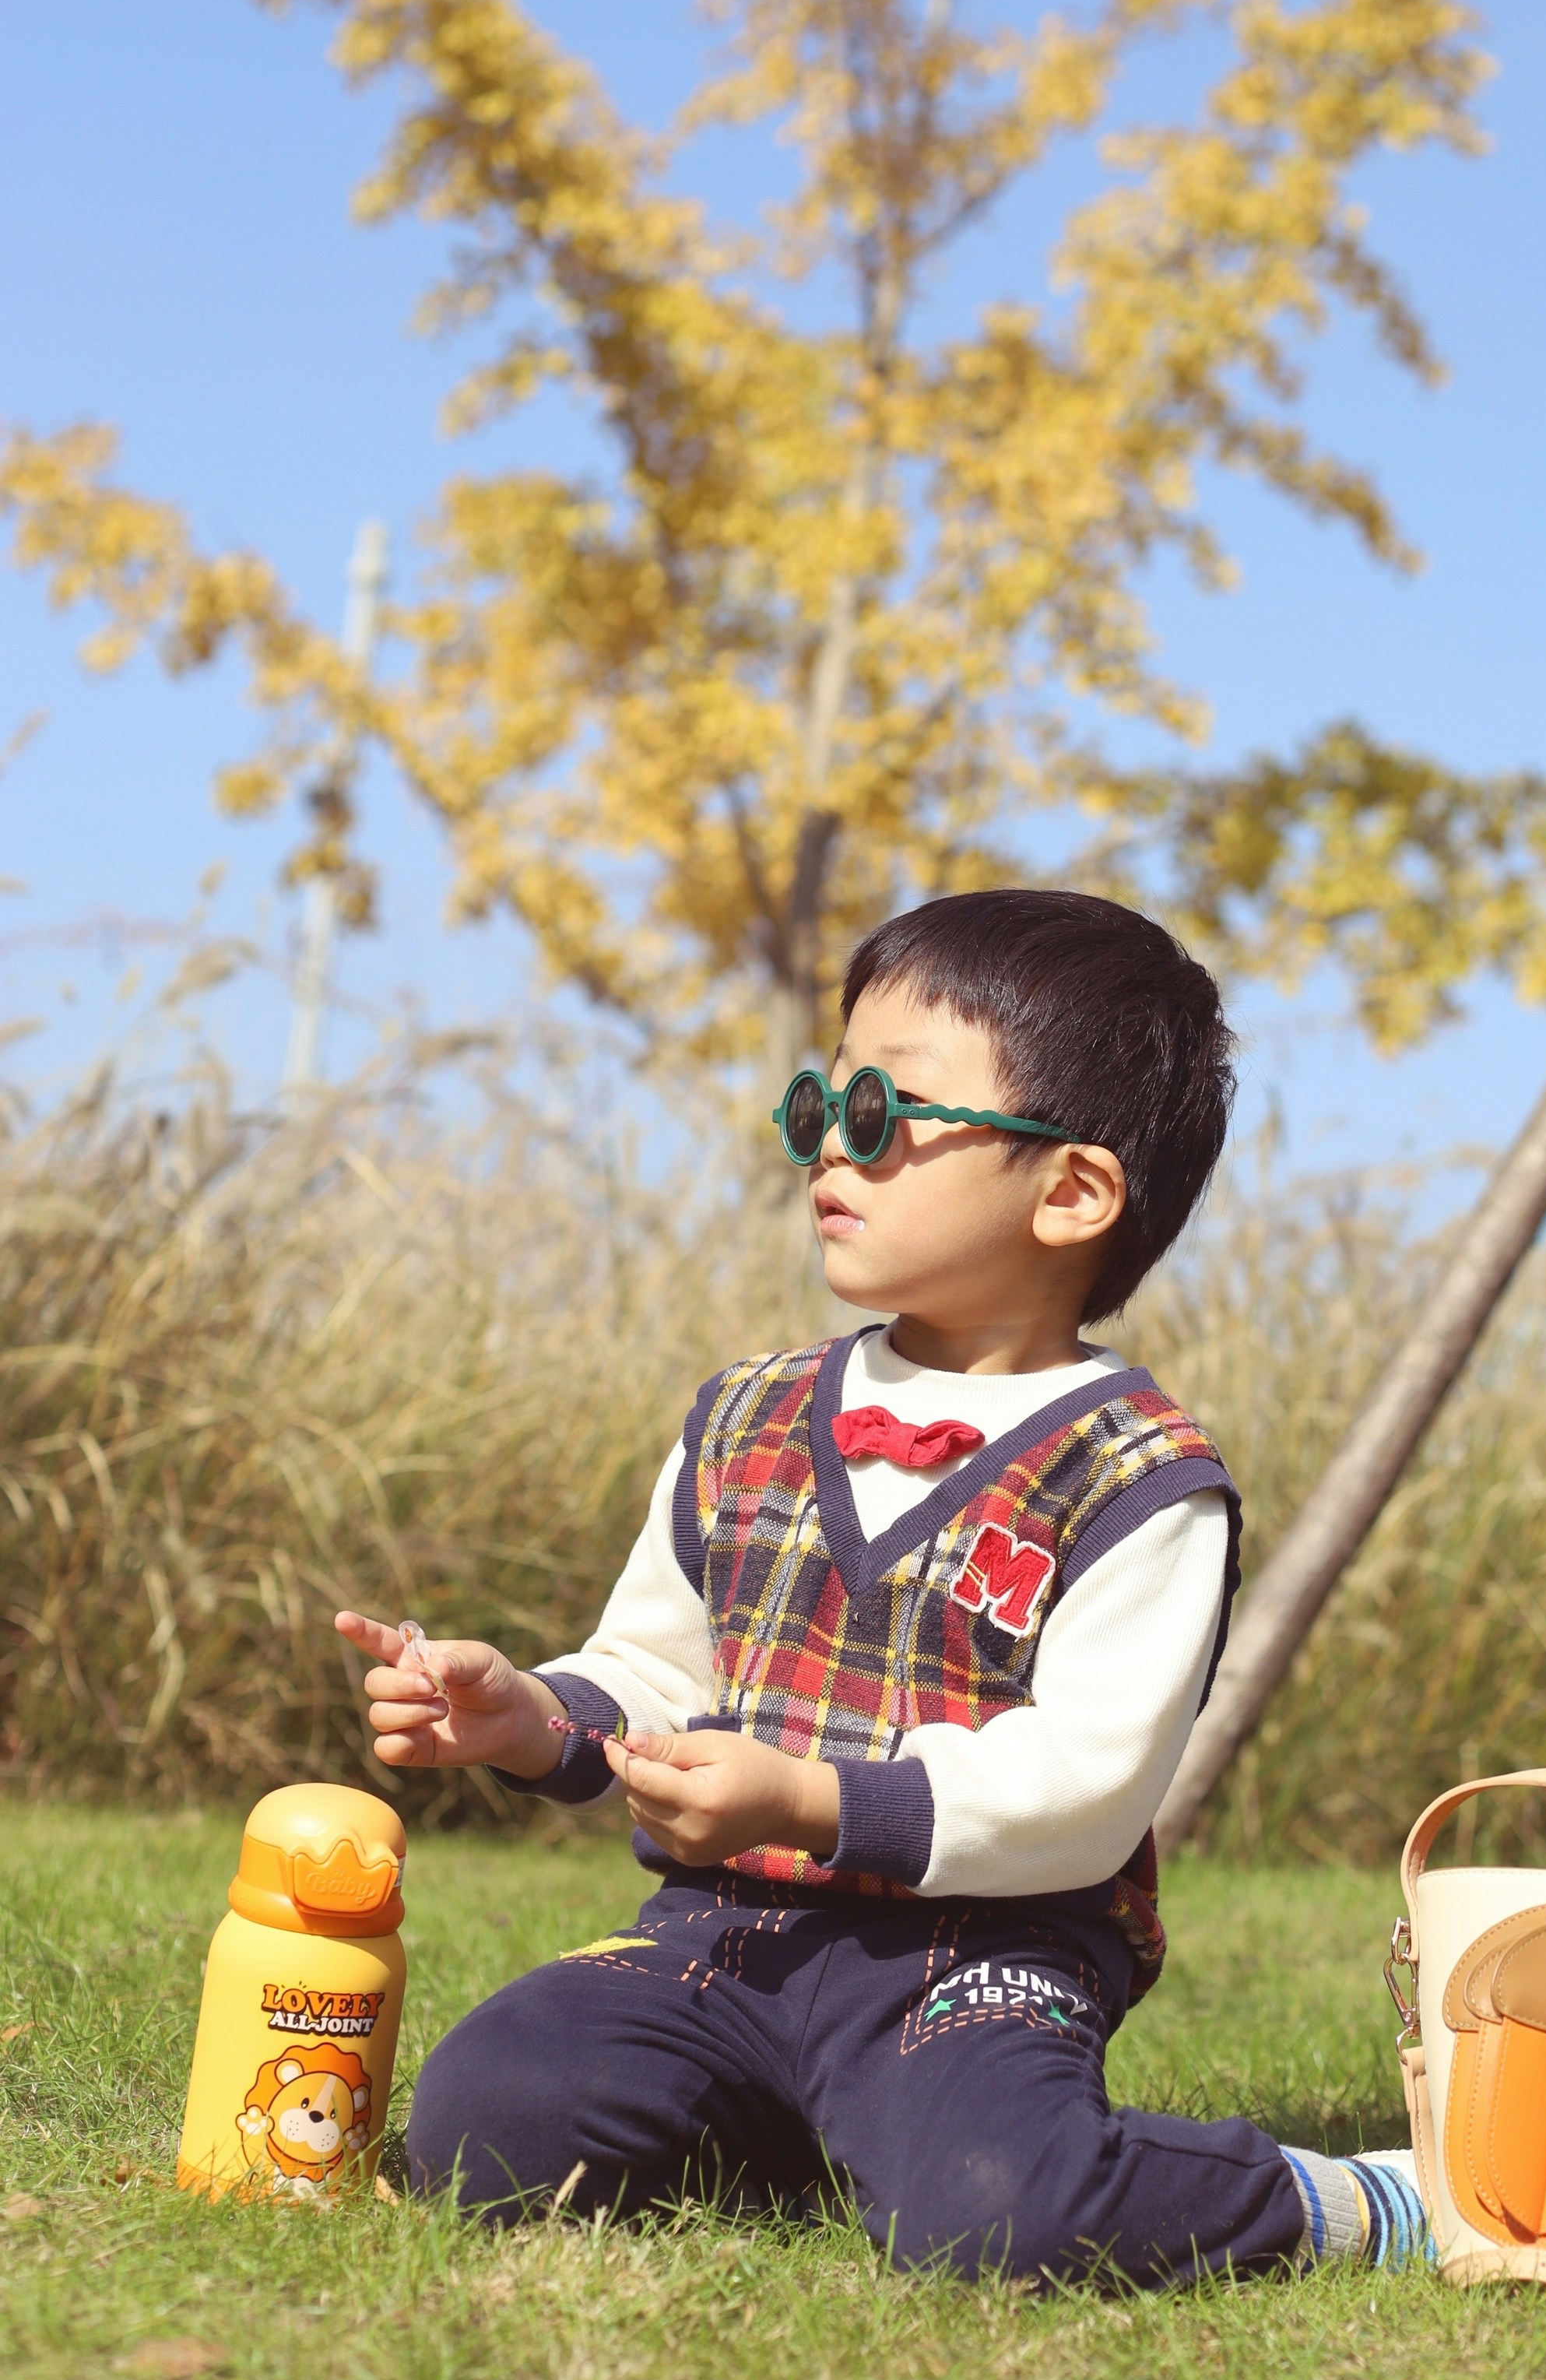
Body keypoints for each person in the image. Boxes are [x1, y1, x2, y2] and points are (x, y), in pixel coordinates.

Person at [336, 888, 1426, 2284]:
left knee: (999, 2210)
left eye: (883, 1115)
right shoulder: (747, 1415)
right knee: (491, 2116)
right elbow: (663, 1670)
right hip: (728, 1931)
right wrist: (534, 1718)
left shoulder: (1141, 1478)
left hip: (975, 1953)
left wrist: (811, 1798)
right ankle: (813, 2125)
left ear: (1071, 1190)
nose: (828, 1149)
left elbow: (1085, 1789)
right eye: (819, 1104)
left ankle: (1353, 2200)